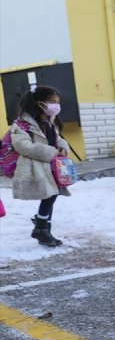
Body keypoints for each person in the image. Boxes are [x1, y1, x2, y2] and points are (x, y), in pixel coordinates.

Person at [10, 85, 71, 247]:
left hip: (52, 166)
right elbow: (23, 146)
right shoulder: (22, 125)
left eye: (57, 102)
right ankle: (41, 229)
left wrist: (63, 147)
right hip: (37, 166)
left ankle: (43, 226)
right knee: (49, 195)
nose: (56, 106)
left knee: (53, 195)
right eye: (52, 102)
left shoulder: (50, 122)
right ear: (40, 104)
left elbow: (57, 139)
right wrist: (51, 151)